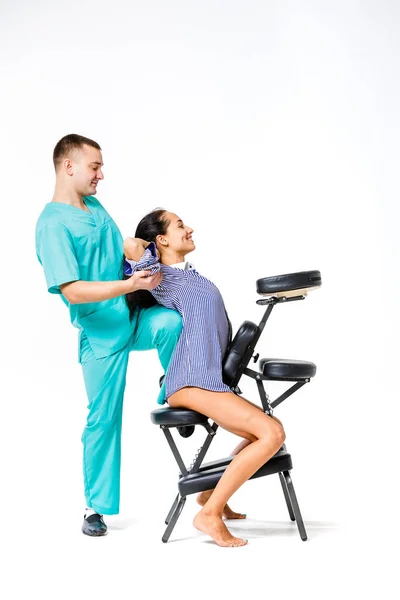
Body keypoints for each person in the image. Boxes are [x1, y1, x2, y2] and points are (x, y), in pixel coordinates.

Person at [35, 135, 182, 537]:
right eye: (95, 166)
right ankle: (95, 508)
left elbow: (112, 242)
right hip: (100, 334)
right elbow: (73, 290)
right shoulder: (52, 225)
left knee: (171, 323)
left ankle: (176, 390)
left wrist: (135, 247)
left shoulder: (94, 206)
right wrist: (130, 286)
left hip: (131, 317)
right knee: (103, 420)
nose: (102, 174)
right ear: (69, 166)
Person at [123, 209, 286, 547]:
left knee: (267, 435)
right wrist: (144, 247)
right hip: (191, 380)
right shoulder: (160, 276)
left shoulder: (191, 275)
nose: (190, 228)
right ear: (162, 239)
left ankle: (211, 493)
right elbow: (132, 247)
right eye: (180, 225)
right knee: (271, 433)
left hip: (209, 380)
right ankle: (208, 514)